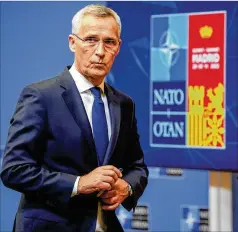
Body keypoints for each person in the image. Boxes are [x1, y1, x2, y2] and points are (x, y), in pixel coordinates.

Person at [1, 4, 148, 232]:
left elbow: (137, 166)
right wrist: (79, 184)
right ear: (72, 42)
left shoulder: (124, 104)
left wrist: (126, 187)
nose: (100, 51)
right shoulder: (41, 96)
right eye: (91, 39)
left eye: (109, 42)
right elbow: (14, 169)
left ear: (118, 47)